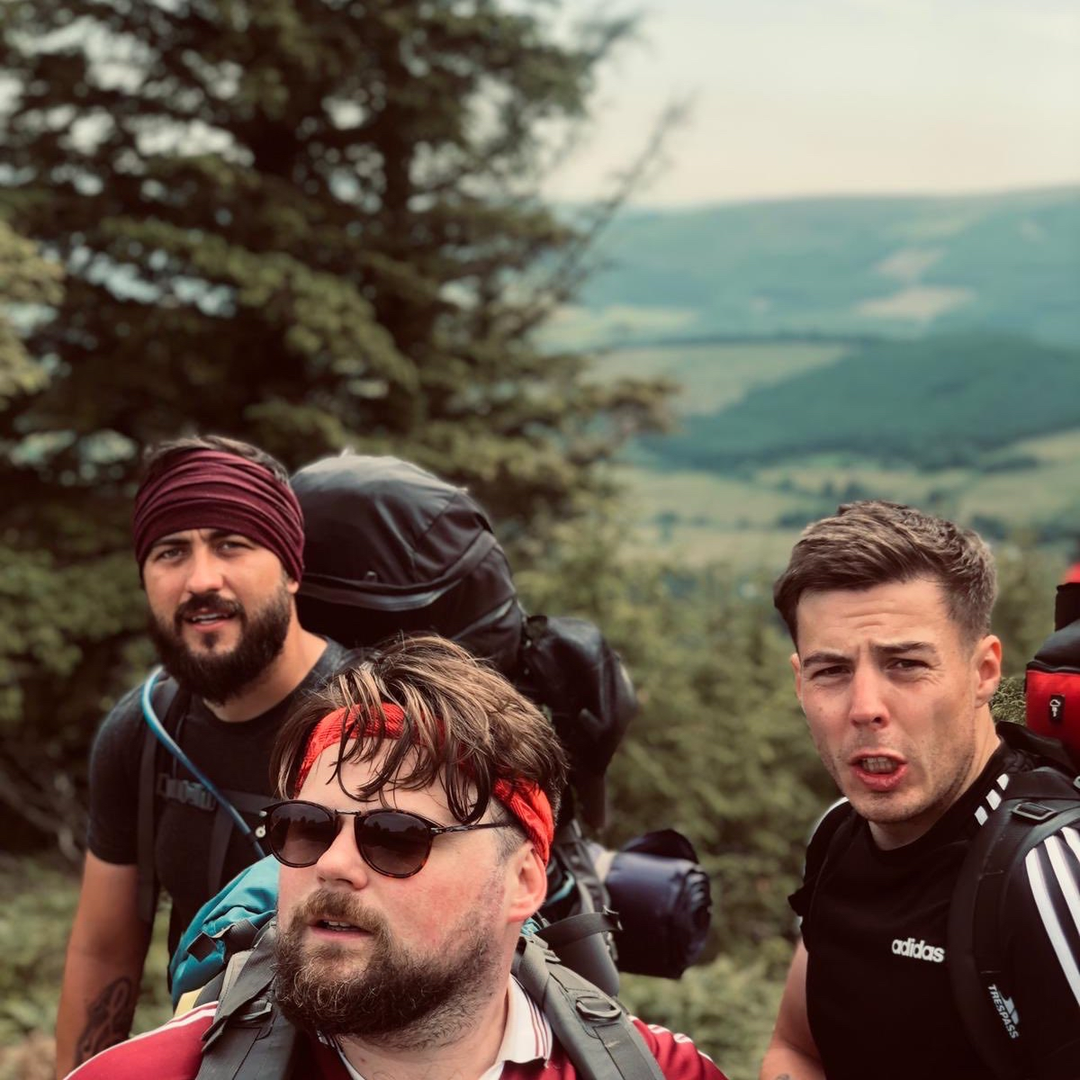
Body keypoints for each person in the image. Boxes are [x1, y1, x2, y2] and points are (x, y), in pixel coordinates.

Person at [64, 635, 727, 1080]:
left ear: (523, 880)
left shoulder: (658, 1073)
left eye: (396, 837)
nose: (334, 864)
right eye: (305, 827)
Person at [55, 435, 349, 1078]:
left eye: (231, 544)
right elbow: (104, 952)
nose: (200, 580)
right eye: (170, 552)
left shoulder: (377, 724)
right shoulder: (141, 732)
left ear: (291, 569)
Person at [760, 501, 1080, 1080]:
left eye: (905, 665)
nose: (865, 708)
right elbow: (798, 1048)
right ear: (799, 682)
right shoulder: (839, 832)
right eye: (831, 671)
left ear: (983, 673)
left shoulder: (1045, 869)